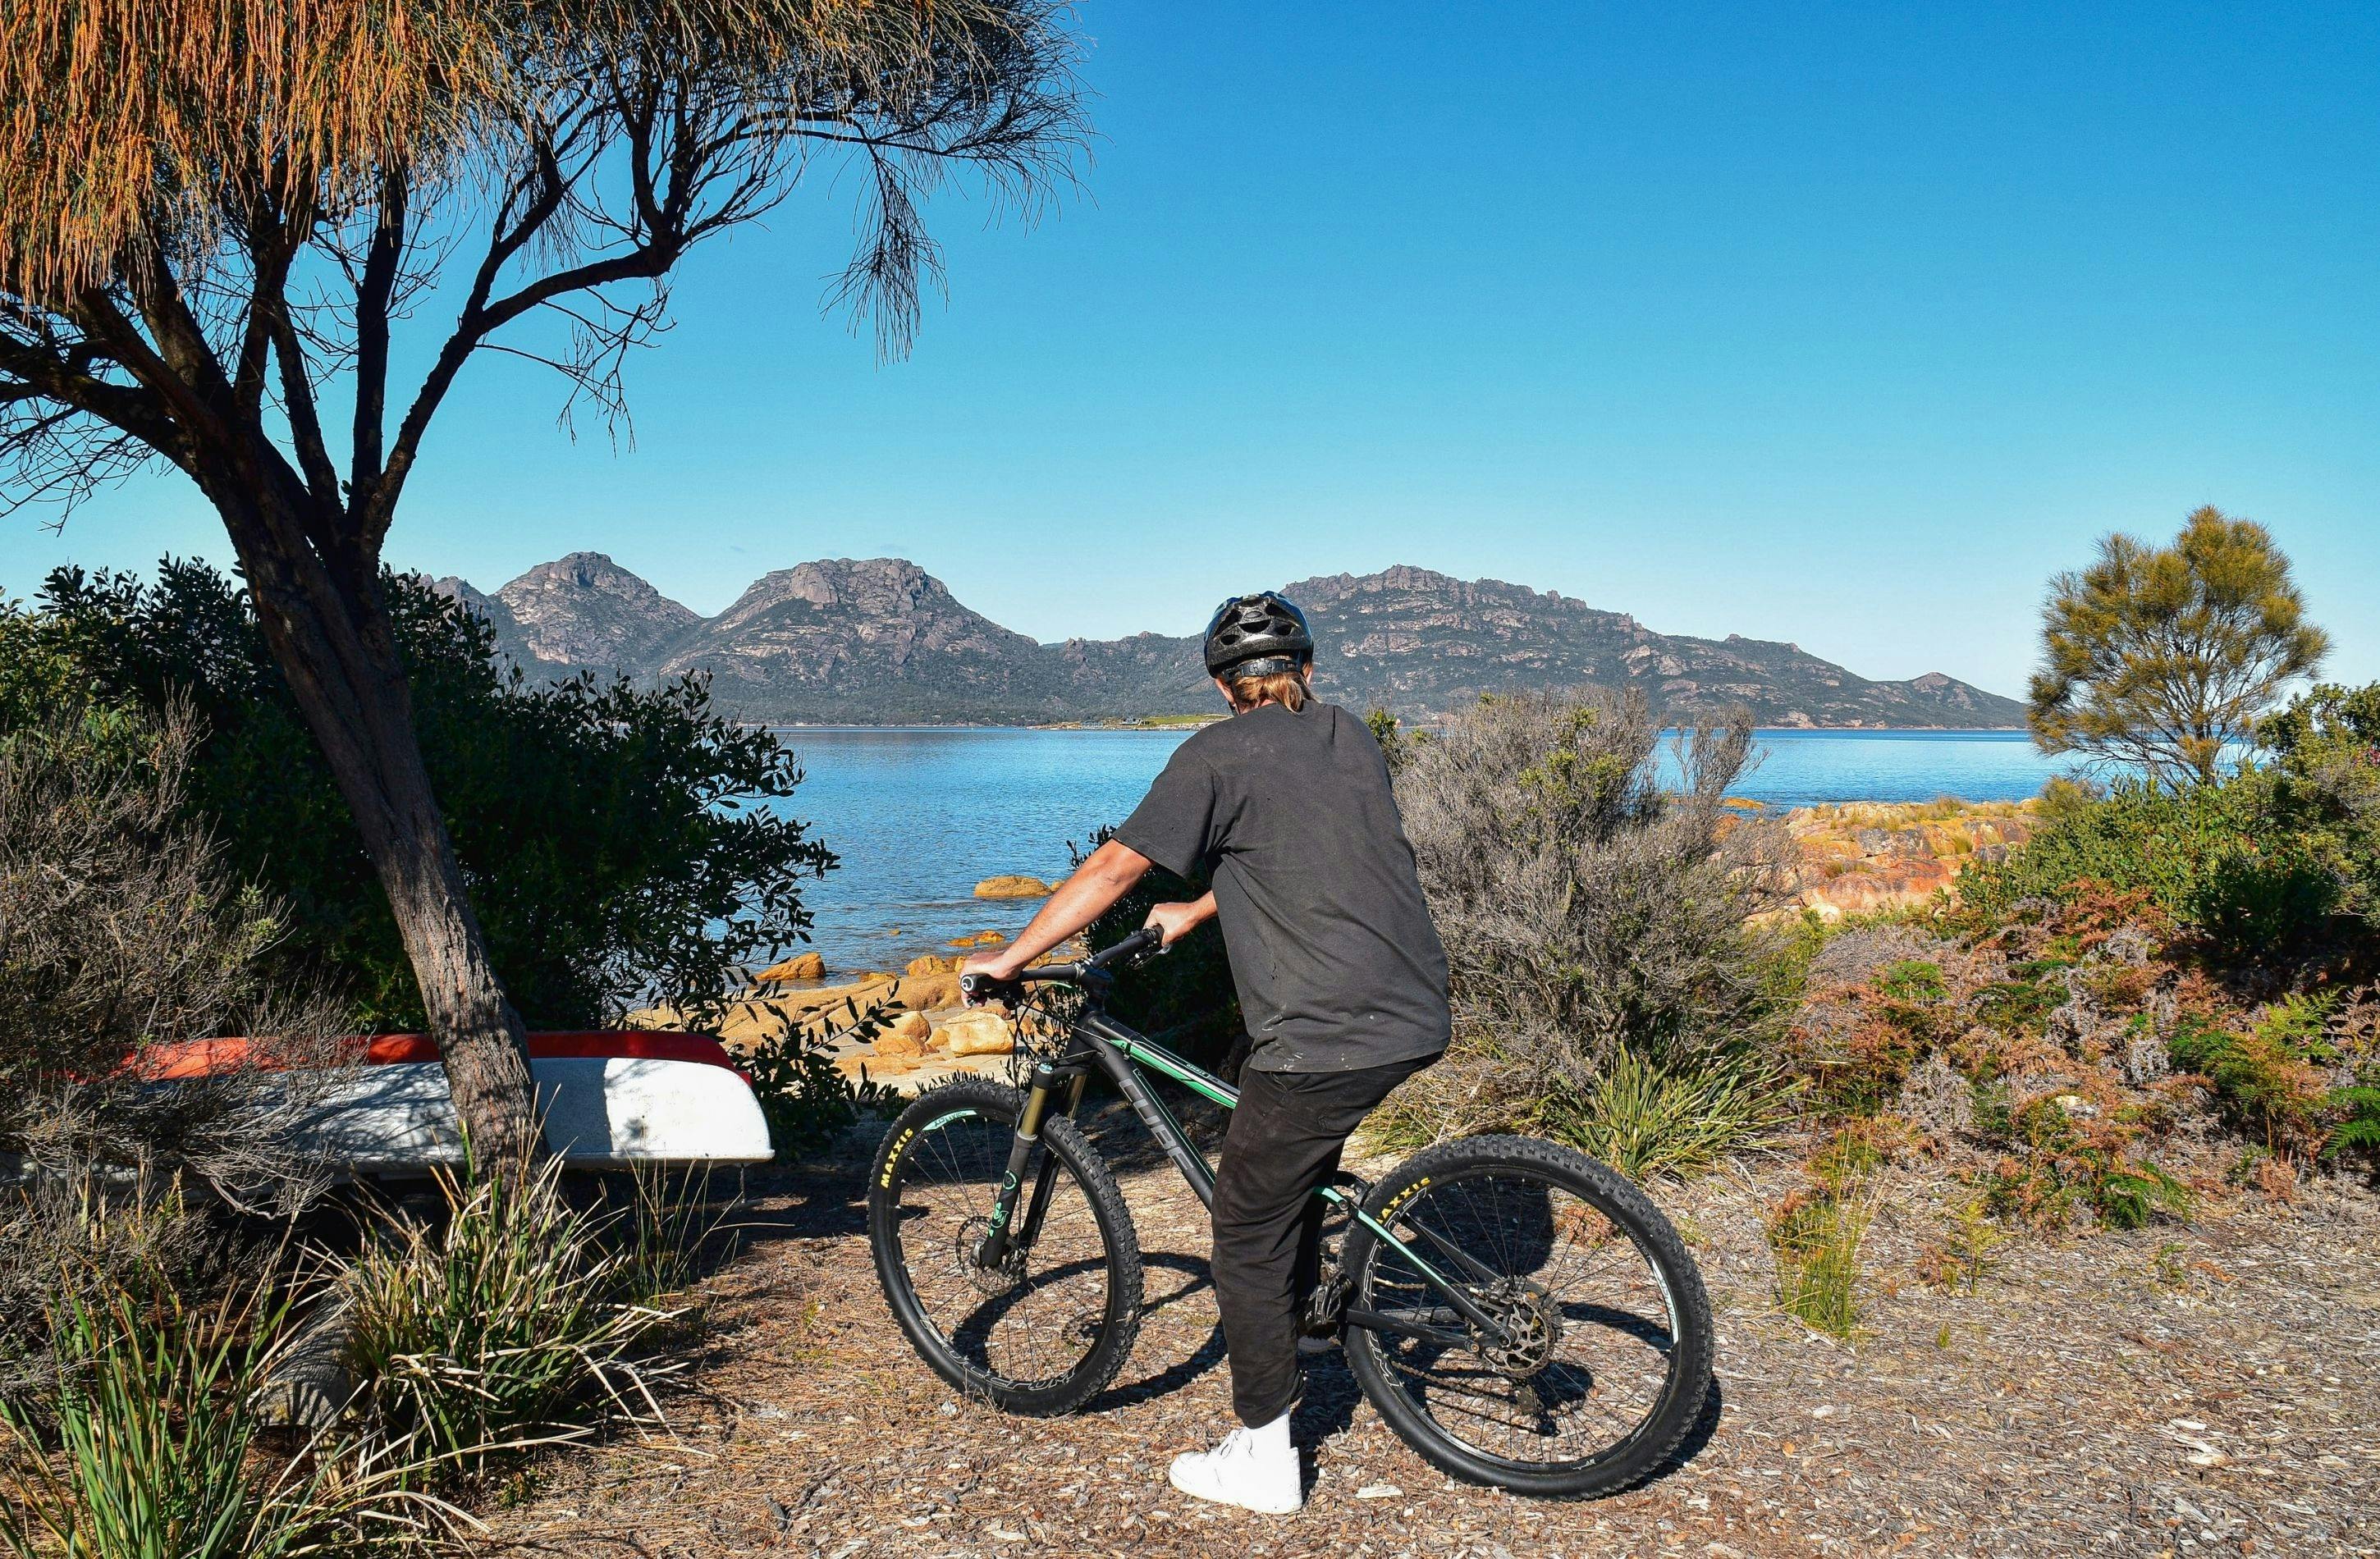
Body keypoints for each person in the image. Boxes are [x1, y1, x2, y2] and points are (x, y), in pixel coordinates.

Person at [958, 591, 1451, 1516]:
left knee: (1242, 1224)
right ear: (1305, 672)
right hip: (1414, 1010)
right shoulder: (1348, 736)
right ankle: (1302, 1324)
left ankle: (1262, 1456)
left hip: (1323, 1034)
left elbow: (1112, 868)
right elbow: (1297, 851)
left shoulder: (1214, 753)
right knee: (1276, 1145)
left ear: (1227, 689)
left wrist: (1012, 956)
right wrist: (1197, 907)